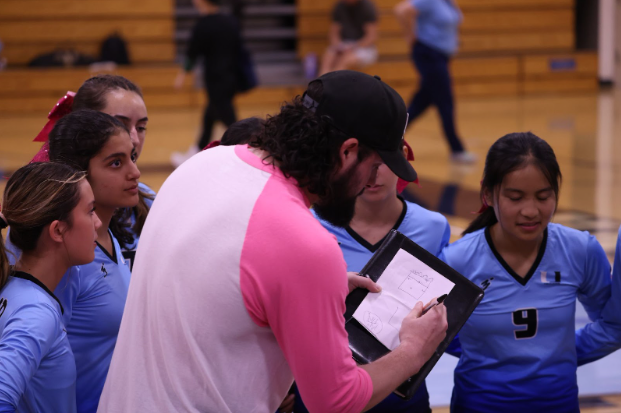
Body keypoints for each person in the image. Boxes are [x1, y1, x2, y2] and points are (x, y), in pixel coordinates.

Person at [97, 71, 448, 413]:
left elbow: (220, 280)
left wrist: (302, 290)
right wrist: (413, 350)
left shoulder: (201, 164)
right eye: (375, 166)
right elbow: (336, 401)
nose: (371, 180)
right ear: (347, 151)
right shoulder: (304, 244)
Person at [440, 132, 621, 412]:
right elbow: (432, 334)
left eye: (543, 196)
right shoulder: (457, 260)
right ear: (488, 193)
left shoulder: (580, 249)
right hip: (478, 405)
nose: (531, 211)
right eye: (515, 197)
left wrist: (560, 356)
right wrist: (485, 356)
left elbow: (613, 325)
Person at [292, 143, 450, 413]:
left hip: (402, 393)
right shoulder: (307, 223)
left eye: (383, 162)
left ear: (402, 159)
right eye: (363, 161)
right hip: (325, 392)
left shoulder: (433, 227)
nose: (373, 175)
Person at [48, 110, 141, 413]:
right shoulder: (64, 259)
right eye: (116, 163)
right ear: (78, 174)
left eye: (132, 158)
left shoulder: (109, 235)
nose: (134, 172)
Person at [0, 162, 102, 413]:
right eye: (90, 211)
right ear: (57, 230)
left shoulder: (12, 288)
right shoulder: (36, 313)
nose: (98, 223)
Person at [28, 74, 154, 268]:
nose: (135, 138)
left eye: (141, 127)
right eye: (121, 124)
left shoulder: (147, 200)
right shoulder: (46, 220)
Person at [394, 0, 476, 163]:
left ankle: (391, 136)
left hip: (441, 57)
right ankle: (457, 149)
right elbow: (401, 10)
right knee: (445, 101)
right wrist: (410, 35)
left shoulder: (448, 2)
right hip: (428, 54)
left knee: (420, 102)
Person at [171, 0, 243, 166]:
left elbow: (192, 54)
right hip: (232, 78)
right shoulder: (231, 21)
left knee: (230, 120)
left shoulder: (204, 25)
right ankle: (197, 149)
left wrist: (182, 76)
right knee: (210, 115)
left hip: (216, 80)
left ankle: (247, 147)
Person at [319, 0, 379, 75]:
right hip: (344, 44)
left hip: (364, 47)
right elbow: (334, 33)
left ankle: (333, 83)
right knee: (328, 57)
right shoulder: (339, 6)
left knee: (345, 60)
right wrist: (338, 46)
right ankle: (321, 83)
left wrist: (353, 47)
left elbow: (371, 37)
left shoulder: (367, 7)